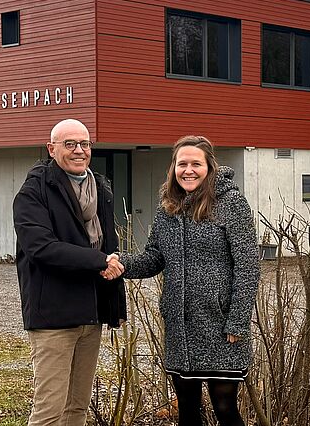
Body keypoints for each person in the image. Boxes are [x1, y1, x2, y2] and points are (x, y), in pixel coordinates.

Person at [110, 135, 260, 426]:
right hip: (181, 328)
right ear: (173, 168)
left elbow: (247, 266)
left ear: (209, 167)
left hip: (220, 326)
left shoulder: (231, 203)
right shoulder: (168, 207)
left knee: (225, 409)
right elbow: (154, 257)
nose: (188, 170)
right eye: (182, 164)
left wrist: (238, 321)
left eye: (196, 164)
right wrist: (120, 263)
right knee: (188, 413)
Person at [12, 118, 127, 426]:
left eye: (85, 144)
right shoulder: (34, 191)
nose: (79, 150)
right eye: (70, 144)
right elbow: (42, 248)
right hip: (54, 316)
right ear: (52, 149)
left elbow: (110, 248)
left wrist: (115, 306)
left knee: (77, 407)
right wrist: (99, 261)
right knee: (49, 411)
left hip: (91, 314)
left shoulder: (100, 187)